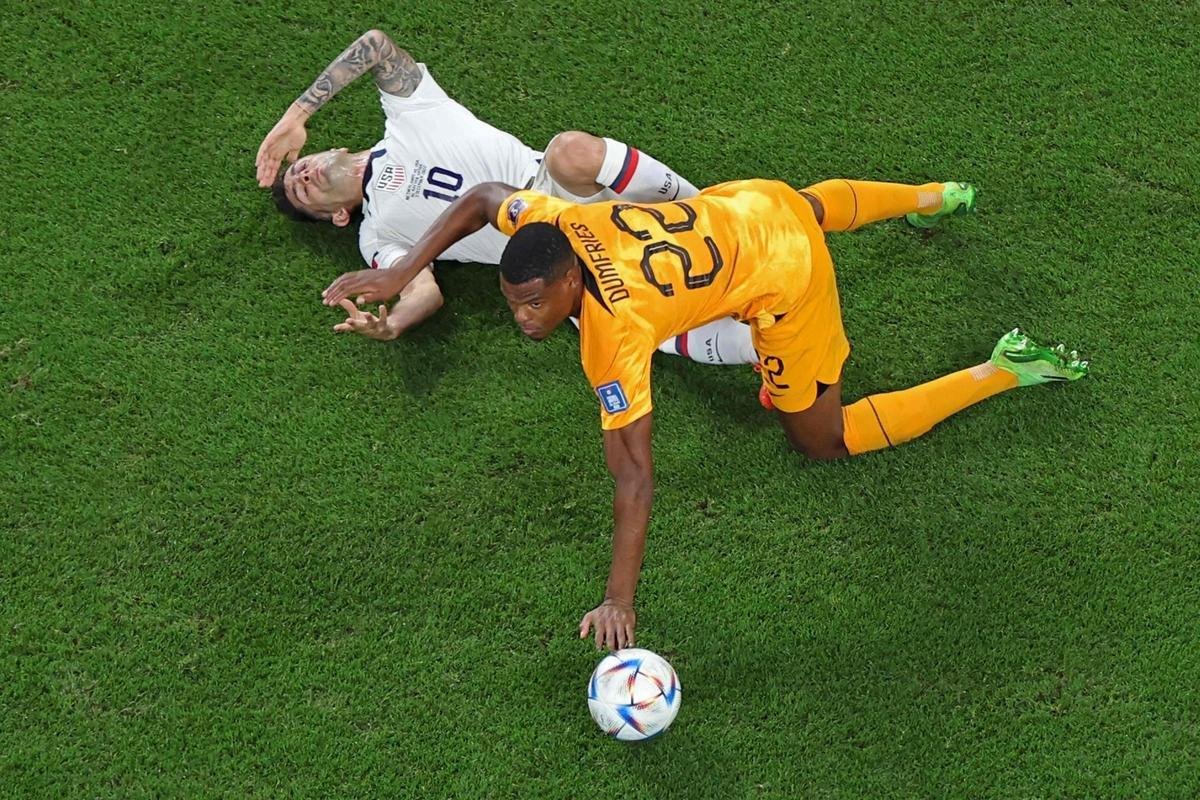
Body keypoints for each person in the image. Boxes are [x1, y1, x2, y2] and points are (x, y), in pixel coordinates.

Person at [321, 176, 1089, 650]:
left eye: (531, 302)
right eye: (511, 301)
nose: (521, 317)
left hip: (786, 281)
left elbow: (634, 475)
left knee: (823, 438)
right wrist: (402, 274)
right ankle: (935, 197)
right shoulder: (555, 223)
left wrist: (619, 599)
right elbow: (488, 199)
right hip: (744, 204)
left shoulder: (614, 340)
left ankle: (1003, 369)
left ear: (568, 285)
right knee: (806, 204)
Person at [255, 29, 757, 366]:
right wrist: (393, 326)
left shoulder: (408, 115)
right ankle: (764, 350)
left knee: (570, 151)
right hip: (557, 253)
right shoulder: (377, 233)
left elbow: (377, 45)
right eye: (302, 193)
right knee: (642, 317)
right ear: (338, 216)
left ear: (334, 147)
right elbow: (422, 291)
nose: (300, 175)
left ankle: (707, 209)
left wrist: (297, 114)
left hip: (556, 187)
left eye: (298, 168)